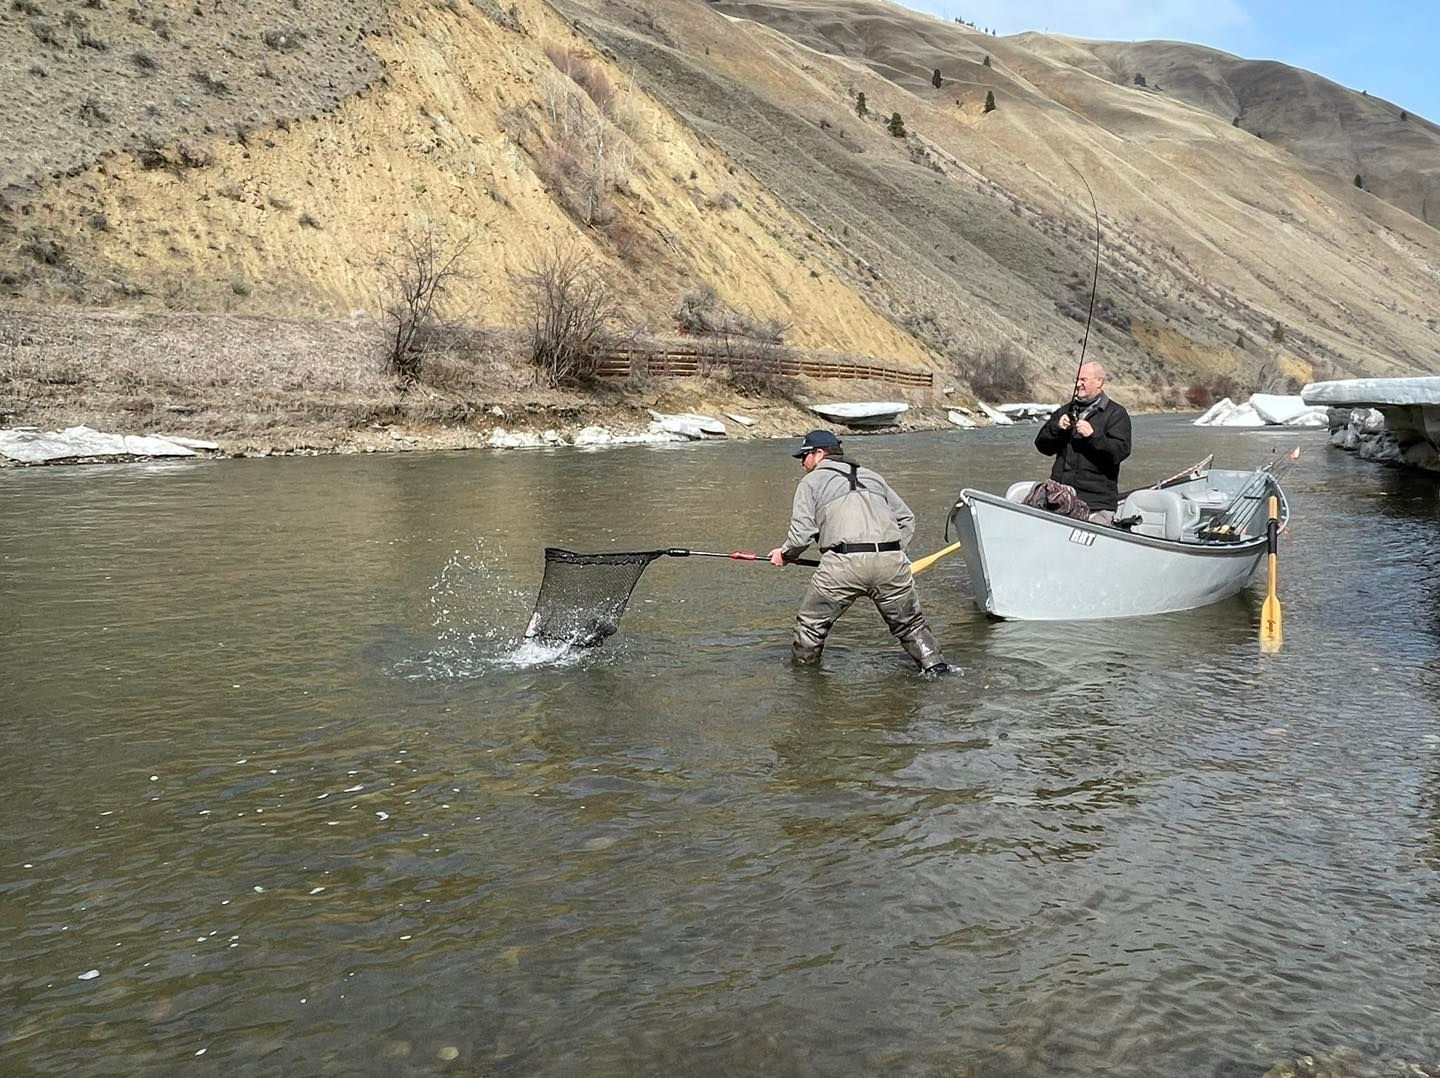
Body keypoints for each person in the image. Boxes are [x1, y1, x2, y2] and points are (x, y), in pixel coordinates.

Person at [767, 430, 949, 674]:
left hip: (842, 566)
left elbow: (802, 534)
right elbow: (906, 519)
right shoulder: (873, 477)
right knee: (911, 626)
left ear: (819, 454)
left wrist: (785, 554)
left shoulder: (810, 482)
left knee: (811, 626)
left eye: (804, 455)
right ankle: (937, 669)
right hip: (891, 564)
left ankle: (804, 681)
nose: (802, 462)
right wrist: (895, 553)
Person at [1033, 361, 1132, 523]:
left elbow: (1119, 452)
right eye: (1077, 380)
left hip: (1096, 503)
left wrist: (1093, 435)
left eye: (1083, 380)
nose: (1078, 384)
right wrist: (1056, 427)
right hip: (1059, 498)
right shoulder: (1064, 411)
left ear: (1099, 382)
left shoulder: (1116, 414)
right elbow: (1042, 446)